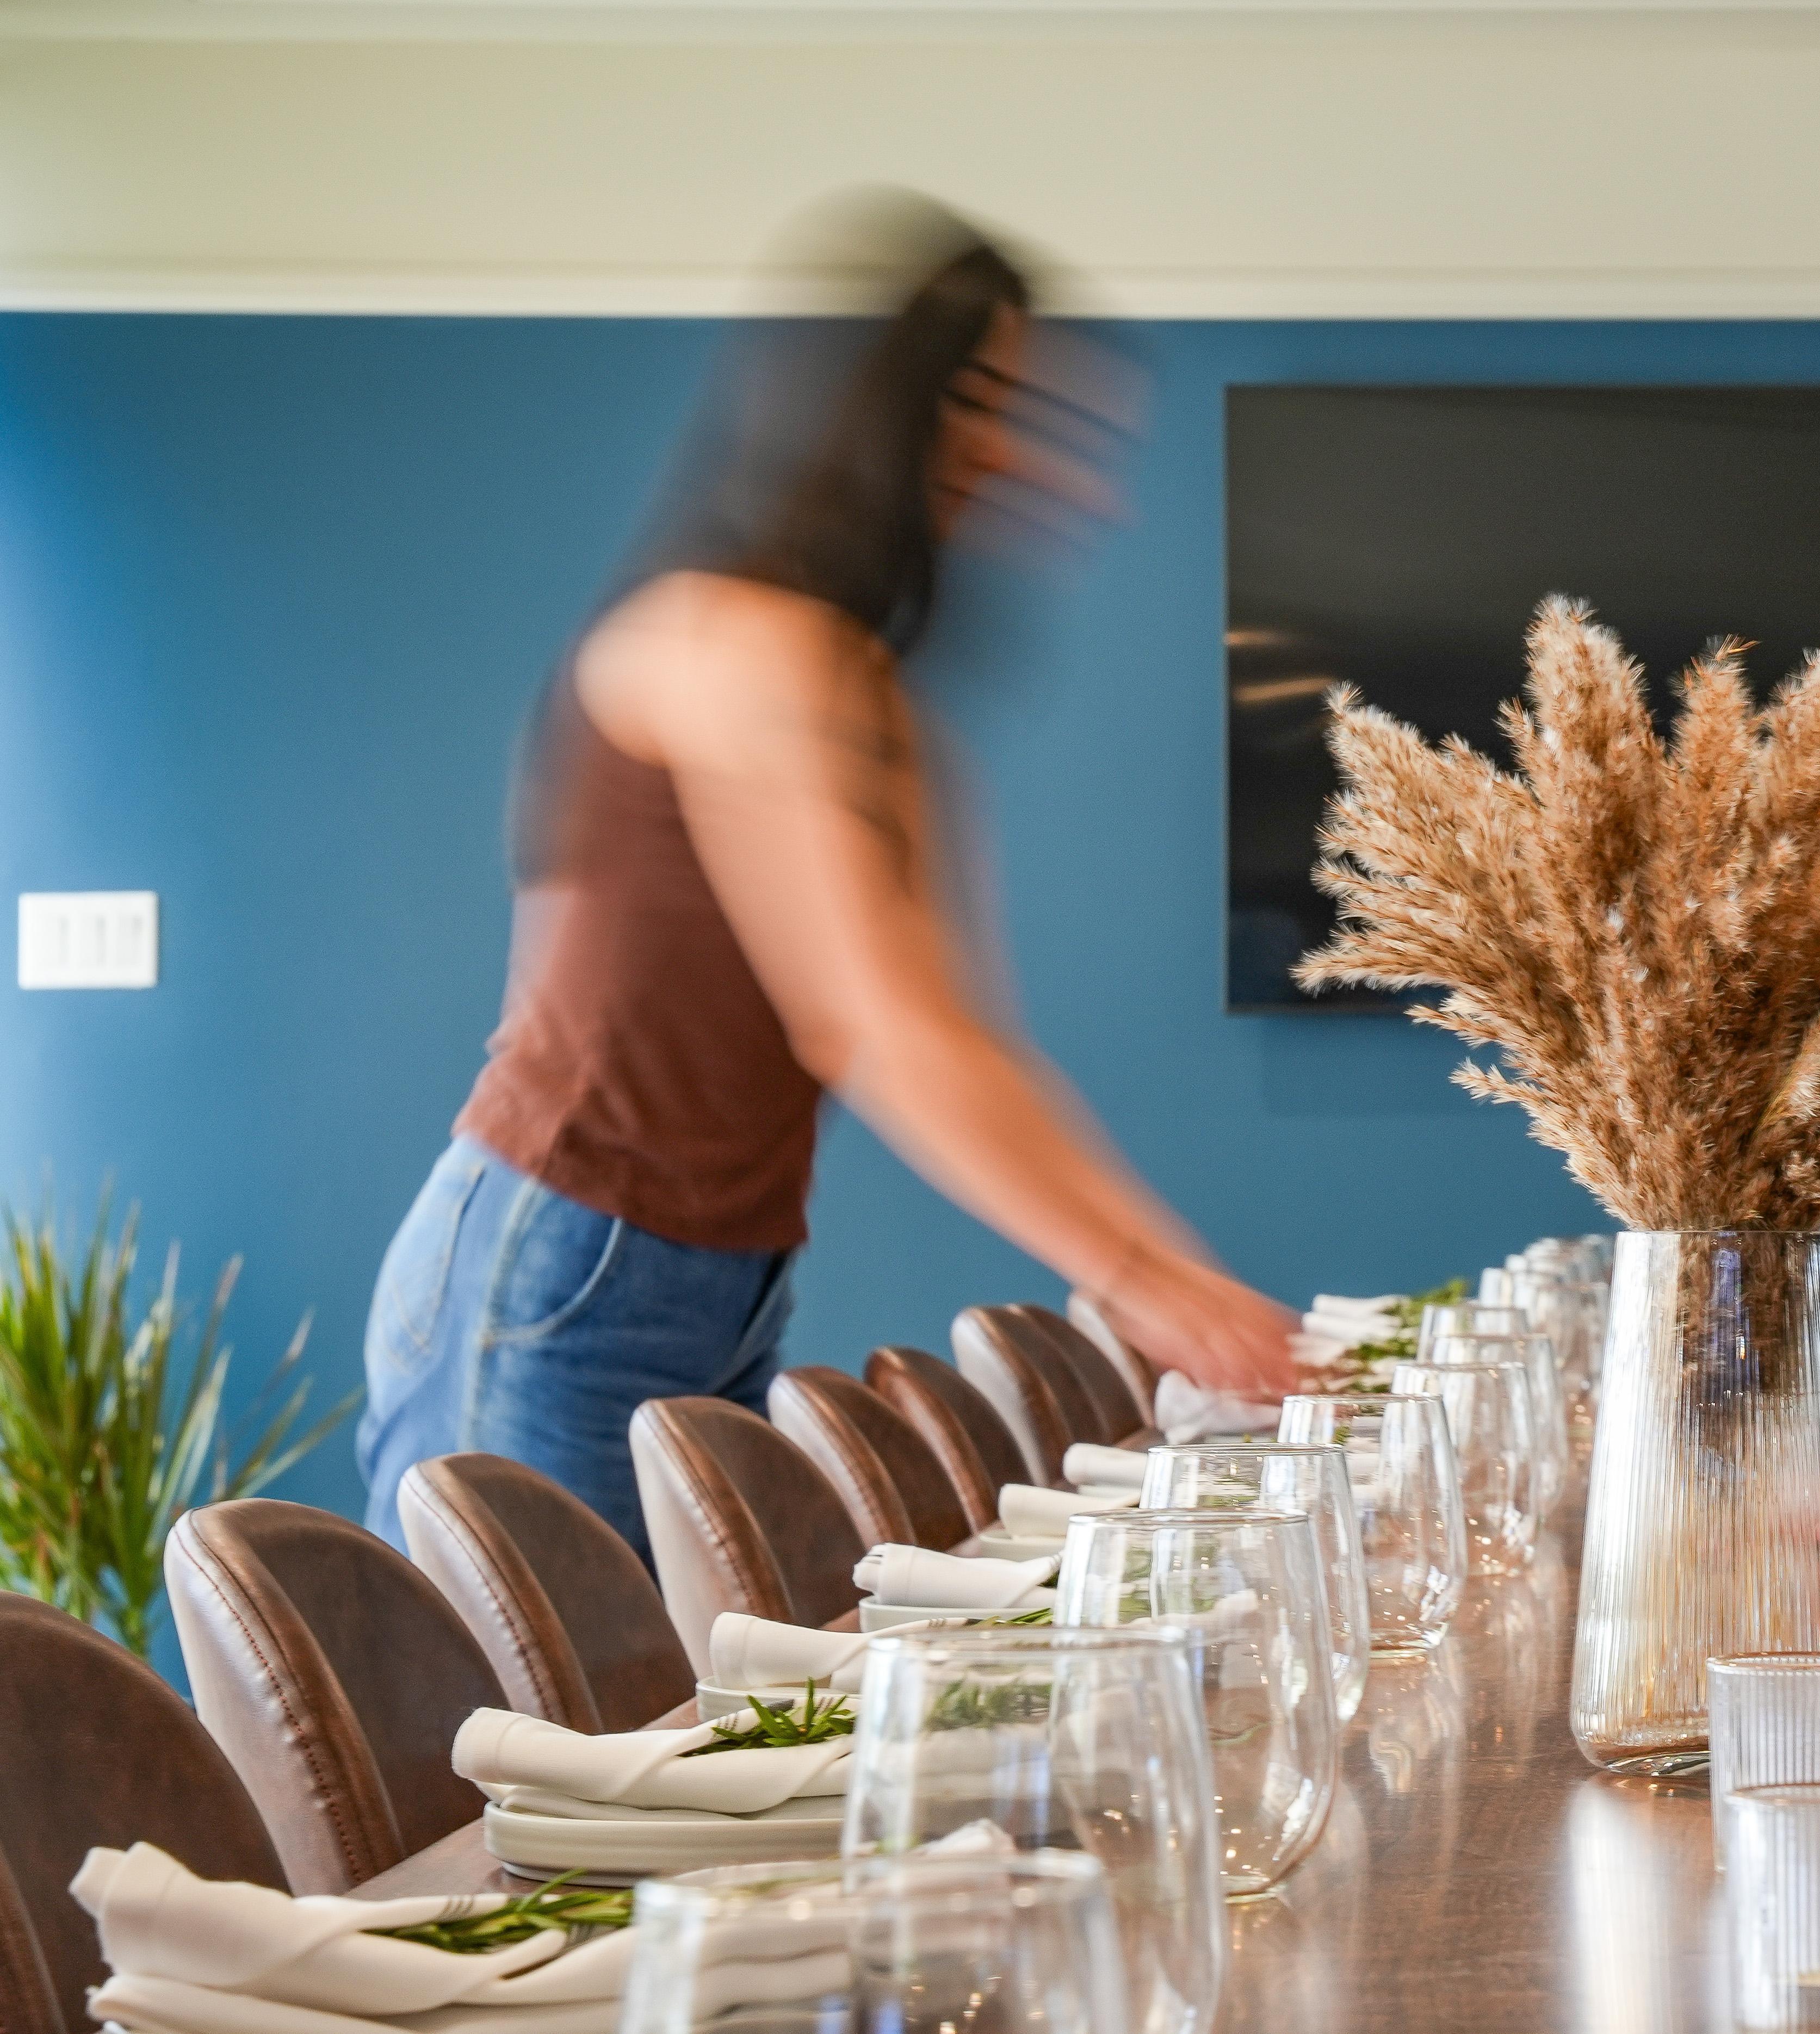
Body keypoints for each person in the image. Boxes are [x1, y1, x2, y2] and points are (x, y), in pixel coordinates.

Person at [361, 199, 1299, 1555]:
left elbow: (966, 1036)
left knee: (657, 1681)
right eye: (979, 403)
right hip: (567, 1249)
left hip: (711, 1271)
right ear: (872, 404)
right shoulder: (741, 646)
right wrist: (1153, 1287)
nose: (1025, 458)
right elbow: (871, 1025)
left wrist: (1184, 1284)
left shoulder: (867, 693)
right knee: (525, 1688)